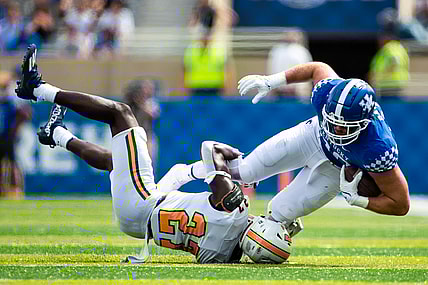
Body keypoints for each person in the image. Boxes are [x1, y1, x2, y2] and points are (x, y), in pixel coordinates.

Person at [15, 44, 291, 264]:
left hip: (145, 201)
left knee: (121, 113)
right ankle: (58, 135)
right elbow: (200, 204)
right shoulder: (225, 256)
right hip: (140, 224)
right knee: (119, 162)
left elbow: (209, 148)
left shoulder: (235, 206)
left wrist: (236, 160)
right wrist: (199, 172)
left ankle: (39, 90)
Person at [167, 61, 410, 236]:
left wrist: (358, 200)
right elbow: (318, 67)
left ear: (363, 124)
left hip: (337, 169)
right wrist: (272, 81)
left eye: (343, 127)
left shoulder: (378, 148)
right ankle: (185, 173)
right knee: (246, 171)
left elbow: (401, 204)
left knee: (276, 217)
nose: (336, 130)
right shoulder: (326, 93)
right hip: (313, 135)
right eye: (333, 122)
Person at [0, 68, 31, 199]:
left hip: (7, 134)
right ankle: (6, 190)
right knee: (9, 162)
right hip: (5, 133)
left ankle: (15, 189)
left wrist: (14, 131)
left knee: (12, 162)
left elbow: (24, 113)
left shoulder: (14, 92)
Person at [266, 29, 313, 102]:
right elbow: (273, 69)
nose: (290, 37)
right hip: (279, 91)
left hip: (297, 93)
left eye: (293, 34)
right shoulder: (277, 51)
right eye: (288, 34)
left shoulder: (302, 51)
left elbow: (306, 72)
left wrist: (301, 89)